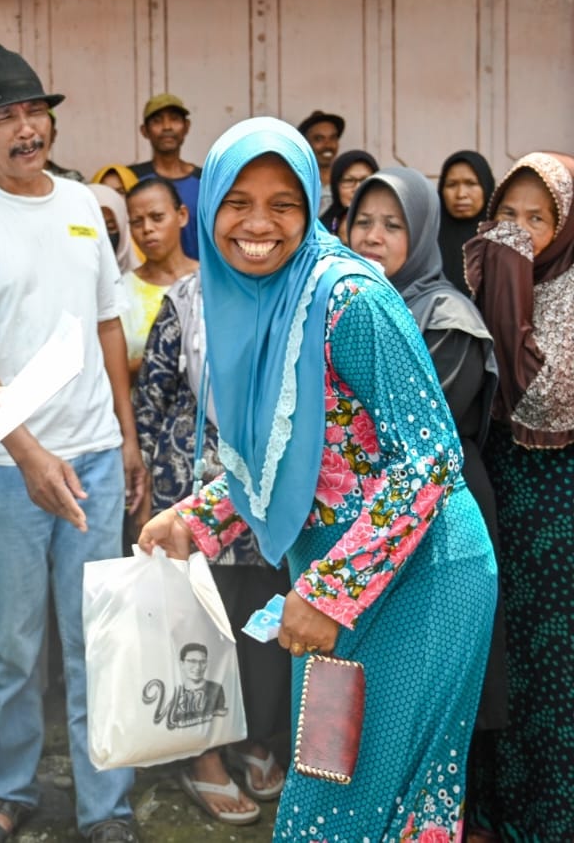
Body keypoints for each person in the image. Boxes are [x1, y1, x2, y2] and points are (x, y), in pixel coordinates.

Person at [138, 117, 496, 839]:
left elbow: (429, 459)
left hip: (419, 579)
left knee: (347, 806)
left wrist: (333, 593)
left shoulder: (350, 302)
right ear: (207, 211)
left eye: (283, 202)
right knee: (340, 790)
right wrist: (201, 517)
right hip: (341, 575)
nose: (259, 224)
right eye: (237, 201)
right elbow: (292, 453)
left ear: (310, 205)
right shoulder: (253, 299)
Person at [0, 42, 145, 843]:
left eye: (34, 112)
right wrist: (26, 454)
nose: (25, 130)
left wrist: (125, 437)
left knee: (98, 644)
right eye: (3, 118)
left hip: (92, 459)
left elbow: (107, 324)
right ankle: (13, 790)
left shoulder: (86, 205)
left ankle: (106, 808)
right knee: (15, 650)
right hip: (1, 470)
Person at [346, 166, 509, 746]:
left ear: (420, 236)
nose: (372, 236)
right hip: (370, 519)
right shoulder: (347, 310)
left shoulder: (446, 318)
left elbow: (409, 433)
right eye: (361, 221)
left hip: (435, 516)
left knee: (431, 686)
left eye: (393, 225)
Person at [132, 260, 289, 825]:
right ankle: (202, 753)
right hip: (196, 486)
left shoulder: (291, 290)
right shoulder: (184, 300)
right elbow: (150, 400)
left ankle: (249, 734)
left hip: (273, 487)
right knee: (200, 625)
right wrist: (155, 485)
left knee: (259, 620)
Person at [462, 151, 574, 841]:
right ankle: (491, 809)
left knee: (550, 663)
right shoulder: (482, 280)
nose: (521, 232)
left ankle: (547, 817)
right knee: (496, 655)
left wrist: (512, 296)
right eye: (509, 215)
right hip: (496, 495)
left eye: (540, 217)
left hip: (557, 512)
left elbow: (540, 393)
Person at [119, 178, 195, 386]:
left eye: (157, 217)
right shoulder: (122, 291)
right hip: (143, 413)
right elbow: (112, 369)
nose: (147, 228)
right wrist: (166, 354)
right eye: (137, 222)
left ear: (182, 216)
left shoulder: (210, 282)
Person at [127, 94, 202, 259]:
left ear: (186, 126)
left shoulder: (205, 181)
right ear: (144, 131)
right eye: (157, 121)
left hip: (199, 280)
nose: (167, 126)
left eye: (174, 119)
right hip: (145, 280)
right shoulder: (130, 179)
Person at [436, 150, 494, 295]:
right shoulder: (428, 239)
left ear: (486, 187)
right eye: (452, 184)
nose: (461, 194)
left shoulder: (502, 239)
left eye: (471, 183)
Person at [319, 149, 377, 238]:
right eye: (349, 180)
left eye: (365, 180)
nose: (357, 188)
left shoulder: (391, 222)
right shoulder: (321, 233)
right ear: (336, 186)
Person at [296, 110, 344, 215]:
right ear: (306, 143)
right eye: (319, 139)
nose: (328, 145)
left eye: (333, 138)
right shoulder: (298, 180)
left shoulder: (347, 180)